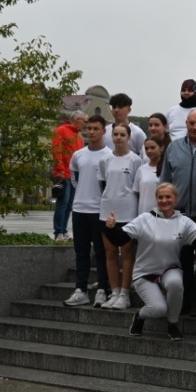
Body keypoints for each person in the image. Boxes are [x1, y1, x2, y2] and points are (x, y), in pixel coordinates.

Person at [105, 182, 196, 341]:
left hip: (170, 269)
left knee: (176, 283)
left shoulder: (184, 221)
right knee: (158, 309)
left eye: (168, 197)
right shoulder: (145, 219)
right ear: (156, 199)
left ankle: (173, 324)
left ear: (176, 199)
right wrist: (111, 228)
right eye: (160, 197)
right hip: (145, 272)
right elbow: (120, 239)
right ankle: (140, 315)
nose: (164, 200)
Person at [161, 109, 196, 316]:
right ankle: (183, 301)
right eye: (191, 123)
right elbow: (165, 181)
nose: (194, 127)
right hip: (180, 215)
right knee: (181, 261)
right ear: (186, 124)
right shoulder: (173, 148)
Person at [64, 115, 113, 307]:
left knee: (101, 252)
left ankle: (102, 290)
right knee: (81, 252)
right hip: (79, 209)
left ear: (103, 131)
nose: (91, 132)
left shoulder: (109, 155)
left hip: (99, 211)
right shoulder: (78, 155)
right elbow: (74, 178)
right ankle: (80, 290)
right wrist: (82, 194)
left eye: (95, 129)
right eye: (89, 128)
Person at [98, 123, 143, 311]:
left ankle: (124, 294)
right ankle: (114, 292)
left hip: (128, 212)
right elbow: (103, 183)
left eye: (122, 134)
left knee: (126, 254)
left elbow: (137, 187)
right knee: (110, 254)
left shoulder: (135, 160)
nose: (118, 138)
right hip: (107, 211)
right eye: (115, 134)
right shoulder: (105, 159)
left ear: (129, 137)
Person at [51, 112, 86, 242]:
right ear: (77, 119)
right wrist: (60, 169)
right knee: (63, 202)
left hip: (74, 175)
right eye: (84, 121)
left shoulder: (79, 137)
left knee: (70, 204)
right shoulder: (61, 131)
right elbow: (57, 150)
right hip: (63, 173)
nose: (85, 124)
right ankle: (59, 232)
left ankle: (64, 231)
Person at [134, 137, 163, 216]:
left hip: (161, 214)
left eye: (153, 148)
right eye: (146, 148)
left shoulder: (166, 169)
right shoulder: (141, 169)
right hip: (143, 213)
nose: (149, 151)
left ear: (161, 148)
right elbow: (137, 193)